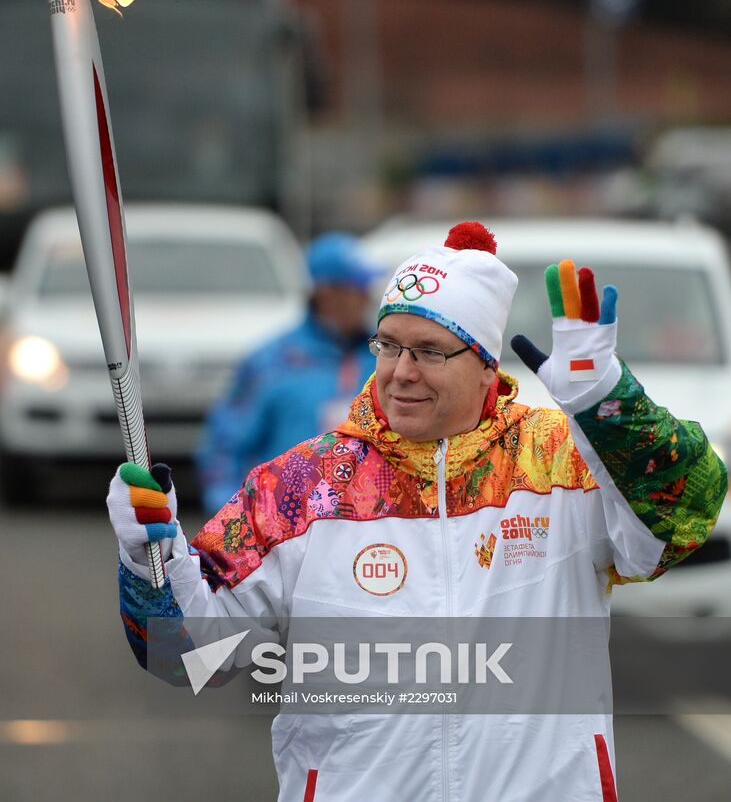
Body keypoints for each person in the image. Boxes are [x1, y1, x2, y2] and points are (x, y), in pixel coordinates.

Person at [107, 221, 726, 802]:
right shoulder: (302, 486)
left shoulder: (560, 463)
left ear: (486, 367)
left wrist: (604, 402)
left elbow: (688, 513)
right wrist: (149, 561)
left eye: (430, 351)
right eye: (389, 345)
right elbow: (186, 655)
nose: (401, 372)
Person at [195, 231, 380, 514]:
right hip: (283, 525)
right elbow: (224, 448)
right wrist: (235, 518)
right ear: (327, 294)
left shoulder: (383, 357)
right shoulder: (272, 362)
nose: (368, 298)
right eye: (358, 287)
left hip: (366, 524)